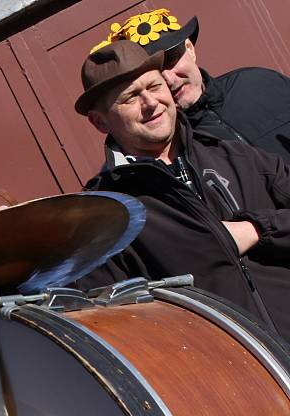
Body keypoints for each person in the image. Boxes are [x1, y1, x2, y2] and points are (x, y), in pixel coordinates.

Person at [74, 40, 290, 341]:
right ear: (100, 121)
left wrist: (257, 228)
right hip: (241, 374)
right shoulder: (107, 213)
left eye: (154, 86)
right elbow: (99, 319)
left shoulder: (236, 156)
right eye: (130, 98)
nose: (150, 103)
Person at [92, 8, 290, 163]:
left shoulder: (260, 83)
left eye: (171, 60)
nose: (168, 79)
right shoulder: (167, 151)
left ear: (190, 48)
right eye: (153, 74)